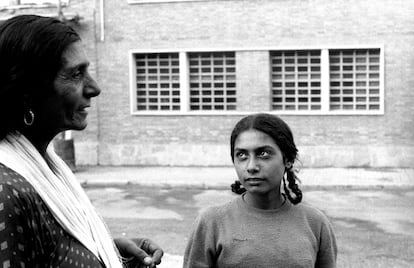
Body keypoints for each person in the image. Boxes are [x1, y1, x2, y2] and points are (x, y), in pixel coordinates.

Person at [0, 15, 163, 268]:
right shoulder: (6, 191)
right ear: (27, 93)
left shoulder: (48, 170)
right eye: (76, 74)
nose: (94, 88)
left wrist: (106, 253)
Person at [183, 113, 337, 268]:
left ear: (288, 159)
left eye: (263, 154)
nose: (251, 167)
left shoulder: (315, 223)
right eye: (242, 155)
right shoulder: (211, 223)